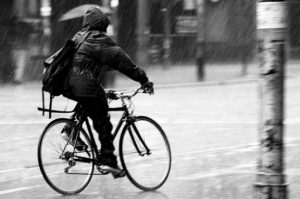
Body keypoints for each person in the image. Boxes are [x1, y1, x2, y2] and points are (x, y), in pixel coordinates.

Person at [61, 6, 154, 178]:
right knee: (103, 120)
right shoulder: (98, 38)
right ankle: (108, 160)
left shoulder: (80, 36)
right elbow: (122, 61)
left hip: (66, 82)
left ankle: (70, 130)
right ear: (101, 24)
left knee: (88, 99)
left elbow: (84, 64)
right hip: (83, 82)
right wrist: (143, 79)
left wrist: (103, 90)